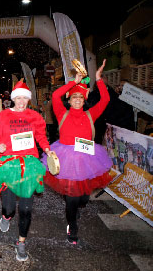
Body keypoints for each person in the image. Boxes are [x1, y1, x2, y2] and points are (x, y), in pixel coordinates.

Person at [41, 59, 113, 245]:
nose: (78, 101)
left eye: (80, 98)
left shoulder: (90, 114)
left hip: (87, 158)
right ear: (70, 100)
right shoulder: (61, 112)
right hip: (66, 157)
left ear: (84, 100)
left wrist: (98, 79)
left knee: (83, 197)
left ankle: (79, 204)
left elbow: (105, 99)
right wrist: (74, 81)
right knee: (72, 198)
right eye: (74, 98)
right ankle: (72, 225)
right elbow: (56, 96)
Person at [0, 80, 52, 262]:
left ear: (28, 99)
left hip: (29, 166)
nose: (22, 101)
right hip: (9, 165)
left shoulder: (35, 116)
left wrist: (46, 149)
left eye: (25, 98)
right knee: (9, 207)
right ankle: (6, 216)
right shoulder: (3, 116)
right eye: (19, 98)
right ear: (14, 98)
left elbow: (40, 135)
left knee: (26, 208)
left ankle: (21, 242)